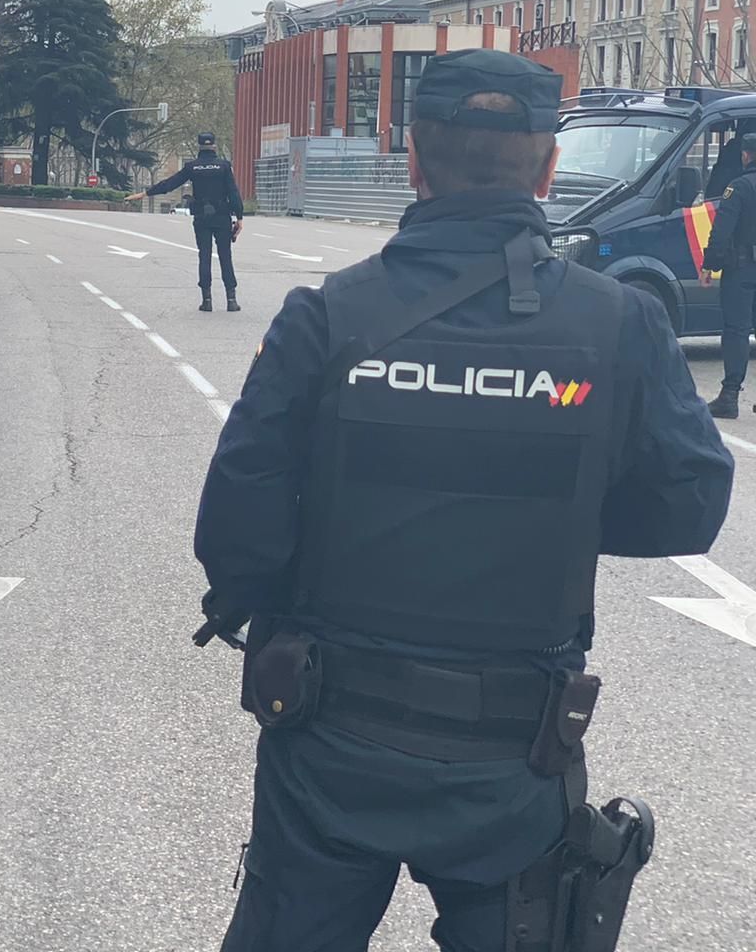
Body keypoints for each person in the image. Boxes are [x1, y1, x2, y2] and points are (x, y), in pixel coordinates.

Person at [190, 49, 733, 952]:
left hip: (331, 737)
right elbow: (689, 507)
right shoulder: (620, 325)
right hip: (515, 760)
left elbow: (234, 532)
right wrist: (560, 513)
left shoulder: (325, 319)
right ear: (549, 166)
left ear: (412, 158)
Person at [127, 132, 244, 312]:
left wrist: (145, 193)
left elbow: (170, 184)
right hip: (222, 217)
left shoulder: (192, 167)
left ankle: (206, 301)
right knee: (225, 257)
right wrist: (239, 217)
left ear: (199, 147)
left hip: (202, 218)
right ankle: (231, 300)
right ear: (214, 146)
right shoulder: (224, 166)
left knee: (204, 256)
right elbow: (233, 193)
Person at [700, 131, 756, 418]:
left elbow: (721, 231)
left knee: (736, 330)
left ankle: (730, 395)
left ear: (746, 155)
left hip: (744, 269)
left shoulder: (740, 187)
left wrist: (709, 264)